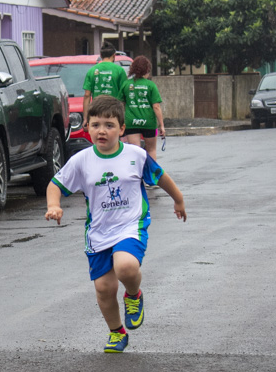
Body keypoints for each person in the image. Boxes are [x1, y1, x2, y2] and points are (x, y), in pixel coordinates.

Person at [45, 95, 187, 353]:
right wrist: (54, 205)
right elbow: (55, 184)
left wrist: (178, 199)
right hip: (99, 232)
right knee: (104, 288)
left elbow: (161, 177)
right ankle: (116, 332)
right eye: (96, 124)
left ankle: (133, 295)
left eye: (109, 125)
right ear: (86, 127)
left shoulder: (136, 155)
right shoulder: (82, 160)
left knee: (126, 267)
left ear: (122, 129)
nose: (102, 130)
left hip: (131, 225)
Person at [118, 55, 165, 160]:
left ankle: (136, 174)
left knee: (135, 151)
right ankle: (152, 174)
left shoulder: (126, 84)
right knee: (151, 150)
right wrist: (161, 125)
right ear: (147, 70)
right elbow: (156, 106)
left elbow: (120, 104)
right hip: (149, 123)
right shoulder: (151, 85)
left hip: (131, 122)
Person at [82, 41, 128, 121]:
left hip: (97, 110)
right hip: (114, 111)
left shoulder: (92, 70)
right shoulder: (120, 71)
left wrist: (85, 118)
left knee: (98, 132)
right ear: (114, 55)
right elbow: (124, 94)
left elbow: (87, 95)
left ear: (101, 55)